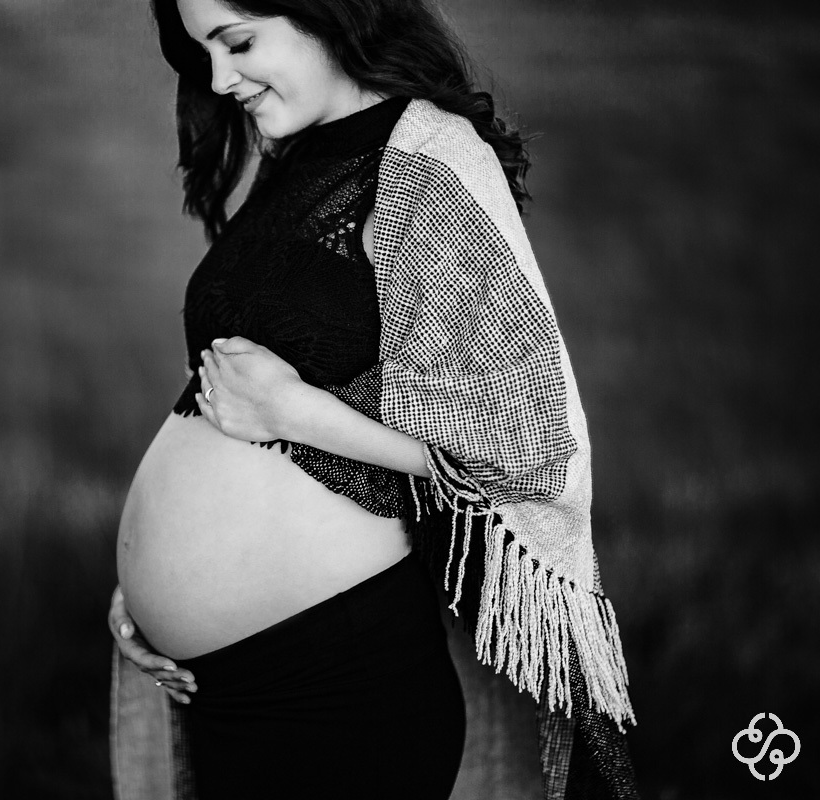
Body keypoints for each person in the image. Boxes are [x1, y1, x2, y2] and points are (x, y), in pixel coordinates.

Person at [108, 1, 641, 798]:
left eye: (238, 43)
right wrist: (148, 595)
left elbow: (523, 447)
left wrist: (293, 414)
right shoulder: (295, 157)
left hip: (337, 689)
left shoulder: (426, 158)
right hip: (229, 687)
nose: (218, 80)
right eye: (201, 54)